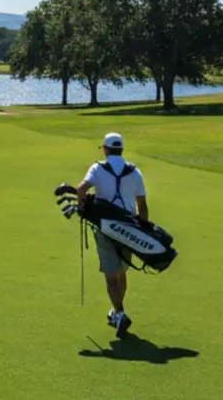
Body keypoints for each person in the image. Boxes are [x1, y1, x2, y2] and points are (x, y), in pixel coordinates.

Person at [76, 132, 148, 337]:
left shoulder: (98, 168)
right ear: (122, 149)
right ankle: (117, 312)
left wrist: (82, 206)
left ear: (106, 149)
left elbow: (81, 189)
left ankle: (119, 312)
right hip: (130, 229)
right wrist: (144, 229)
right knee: (121, 272)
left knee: (110, 275)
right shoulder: (135, 172)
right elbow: (142, 204)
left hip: (106, 227)